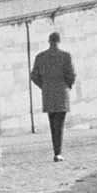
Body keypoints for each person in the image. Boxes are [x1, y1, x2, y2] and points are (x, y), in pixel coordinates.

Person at [29, 31, 77, 162]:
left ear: (49, 41)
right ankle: (58, 152)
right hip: (62, 93)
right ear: (59, 41)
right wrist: (67, 85)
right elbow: (72, 74)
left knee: (53, 124)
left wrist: (43, 86)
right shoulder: (66, 56)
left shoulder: (40, 57)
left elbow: (33, 75)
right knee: (60, 124)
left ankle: (56, 151)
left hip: (48, 93)